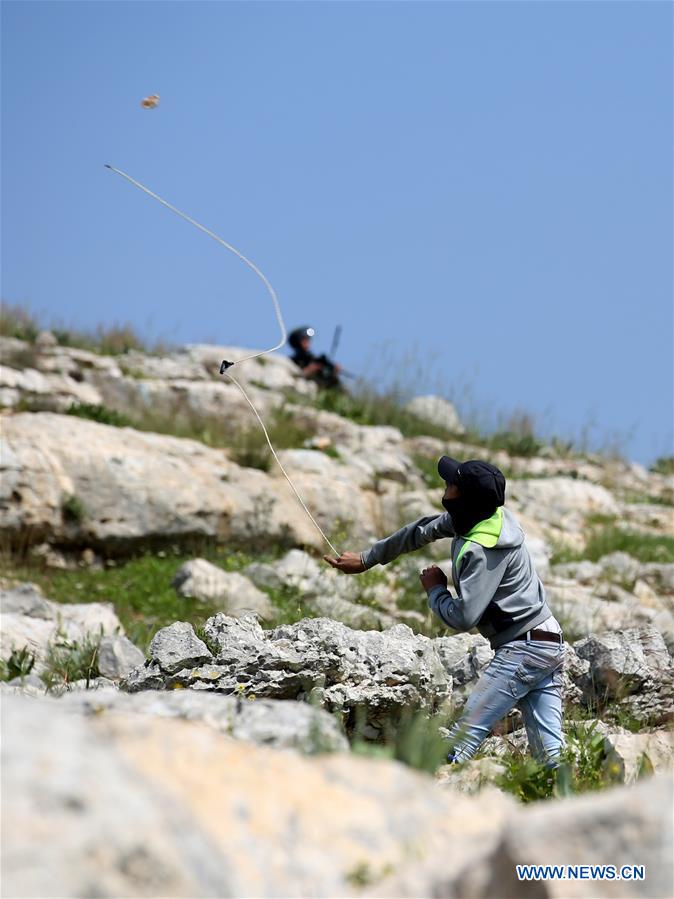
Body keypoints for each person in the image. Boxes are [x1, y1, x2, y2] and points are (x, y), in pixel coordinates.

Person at [324, 456, 565, 767]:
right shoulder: (483, 517)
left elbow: (464, 617)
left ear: (462, 498)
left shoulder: (482, 550)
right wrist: (367, 558)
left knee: (459, 742)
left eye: (451, 484)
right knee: (551, 757)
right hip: (548, 641)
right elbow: (420, 530)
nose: (445, 485)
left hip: (523, 648)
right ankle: (566, 794)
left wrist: (435, 589)